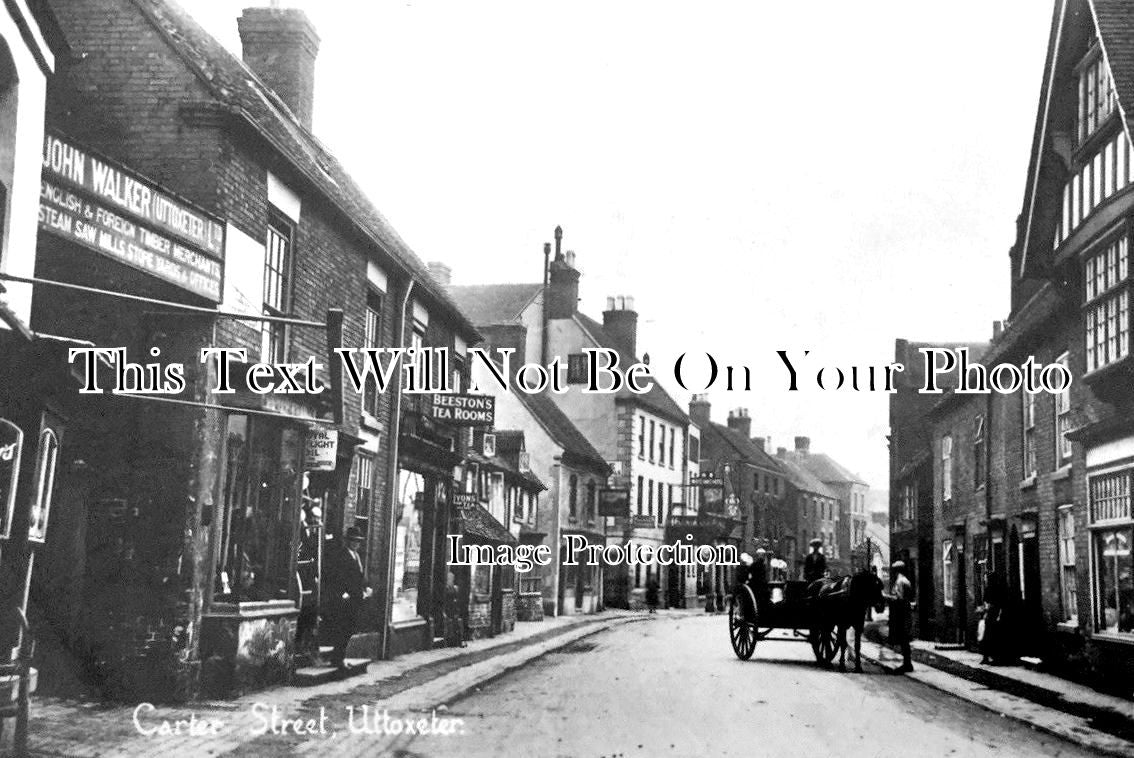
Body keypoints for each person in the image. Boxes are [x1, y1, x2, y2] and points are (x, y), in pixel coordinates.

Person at [321, 526, 372, 668]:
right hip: (346, 599)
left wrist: (366, 587)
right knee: (343, 628)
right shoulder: (342, 556)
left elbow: (360, 577)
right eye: (353, 540)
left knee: (350, 628)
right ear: (347, 541)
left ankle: (339, 656)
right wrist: (343, 593)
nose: (356, 543)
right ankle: (337, 658)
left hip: (356, 598)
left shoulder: (356, 556)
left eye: (358, 541)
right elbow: (338, 577)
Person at [885, 560, 915, 673]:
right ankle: (907, 663)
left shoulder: (900, 581)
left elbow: (899, 598)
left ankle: (907, 664)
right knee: (904, 638)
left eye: (894, 570)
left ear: (897, 570)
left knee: (903, 638)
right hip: (904, 611)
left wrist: (886, 597)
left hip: (901, 612)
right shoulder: (905, 580)